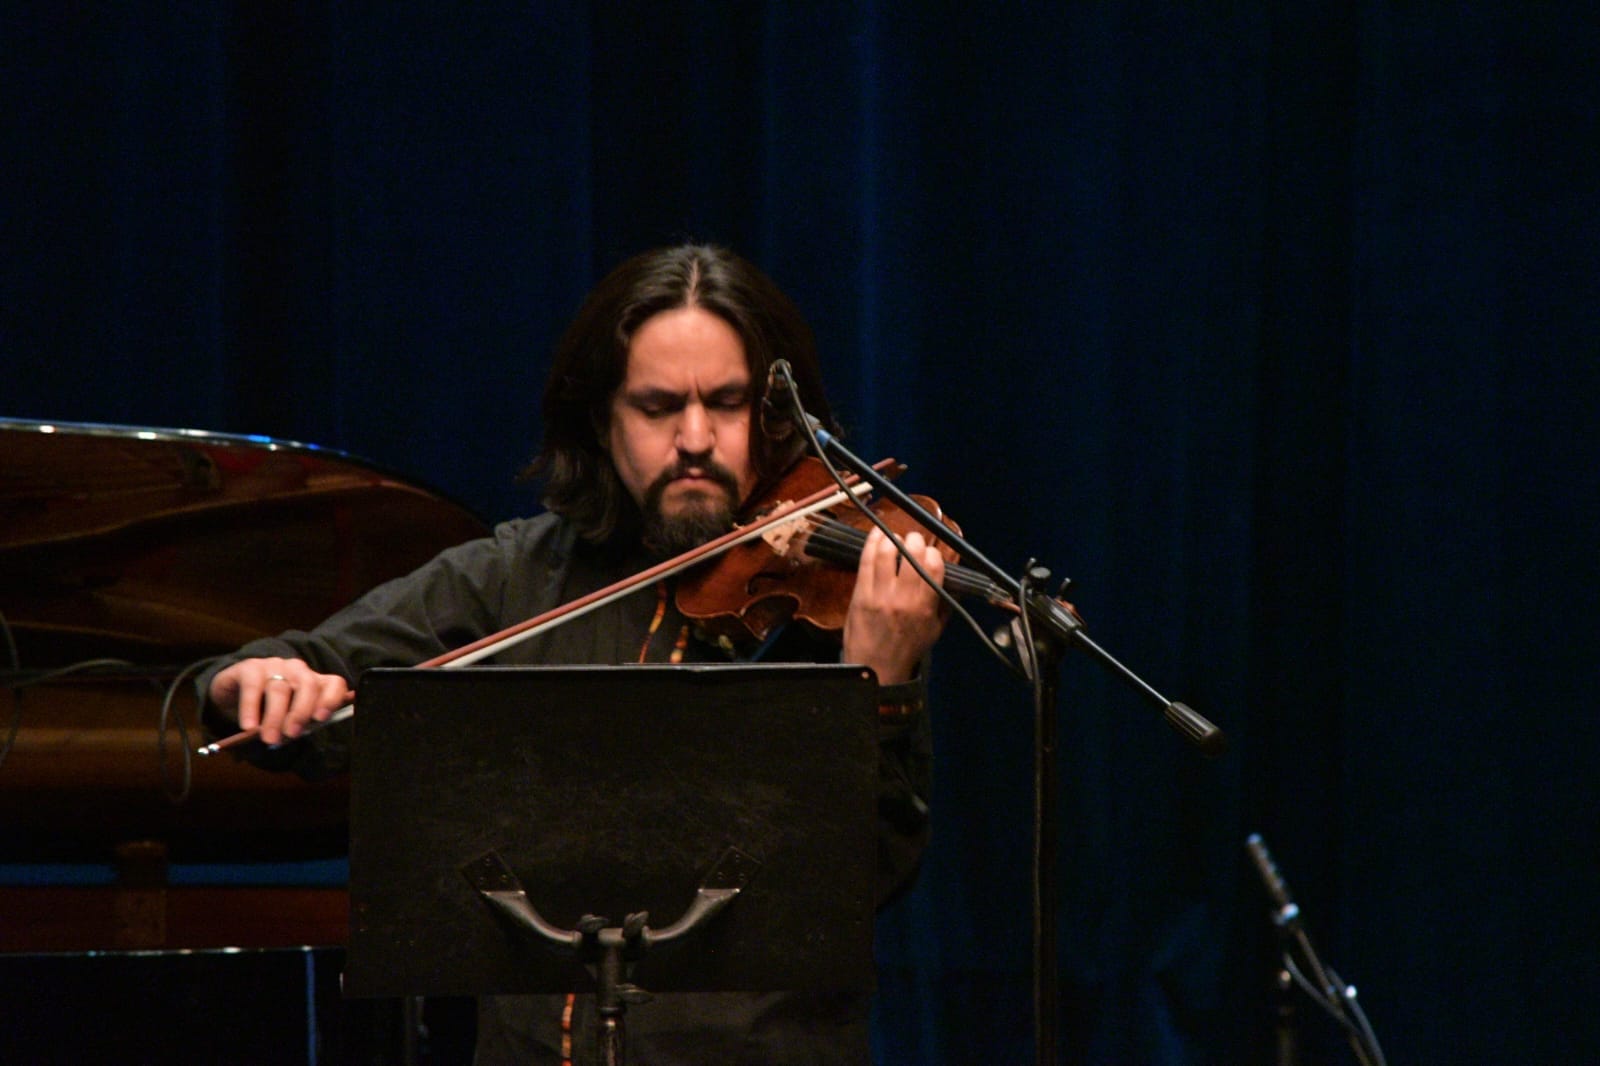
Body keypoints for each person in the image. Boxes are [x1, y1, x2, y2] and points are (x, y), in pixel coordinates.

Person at [199, 243, 947, 1064]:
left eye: (725, 404)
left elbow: (865, 884)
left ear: (773, 417)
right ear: (603, 420)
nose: (694, 439)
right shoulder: (517, 575)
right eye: (658, 406)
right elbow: (292, 667)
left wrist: (885, 685)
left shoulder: (832, 603)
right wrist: (260, 682)